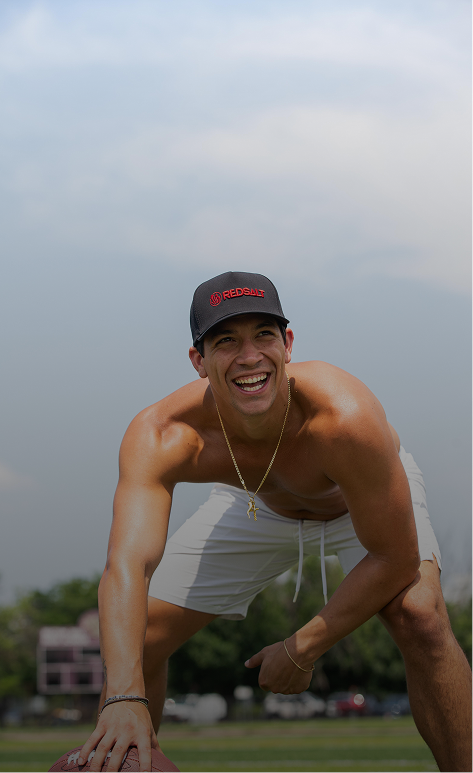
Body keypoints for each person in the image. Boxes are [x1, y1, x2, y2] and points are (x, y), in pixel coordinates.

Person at [81, 271, 472, 773]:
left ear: (287, 344)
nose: (249, 357)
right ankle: (122, 751)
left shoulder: (343, 416)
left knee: (420, 613)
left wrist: (301, 648)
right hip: (258, 501)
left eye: (263, 335)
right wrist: (122, 696)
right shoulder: (162, 434)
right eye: (226, 341)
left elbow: (394, 557)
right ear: (198, 361)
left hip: (362, 503)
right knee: (137, 640)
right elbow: (126, 567)